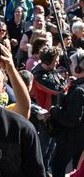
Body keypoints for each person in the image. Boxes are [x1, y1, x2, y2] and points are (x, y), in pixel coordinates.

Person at [50, 49, 84, 177]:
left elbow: (72, 119)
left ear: (80, 68)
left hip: (72, 139)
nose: (70, 65)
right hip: (79, 139)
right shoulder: (78, 87)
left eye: (72, 63)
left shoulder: (79, 91)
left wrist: (54, 111)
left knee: (57, 165)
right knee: (78, 169)